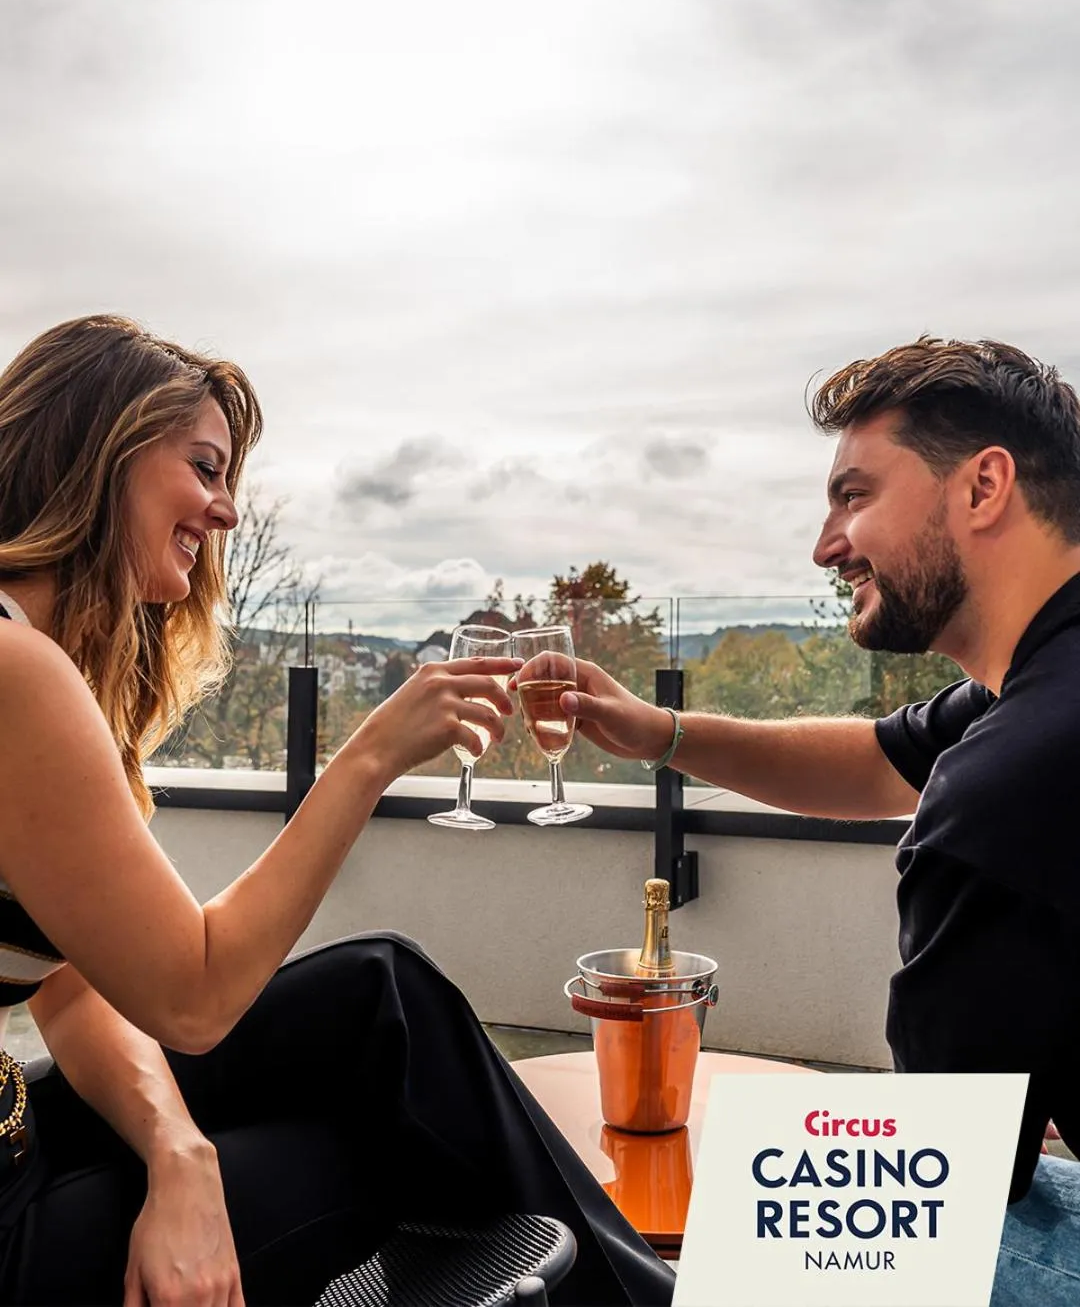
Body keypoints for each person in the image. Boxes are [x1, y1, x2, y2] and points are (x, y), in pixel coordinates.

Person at [0, 314, 676, 1307]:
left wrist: (178, 1151)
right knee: (378, 1146)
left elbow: (69, 979)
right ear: (105, 452)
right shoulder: (16, 667)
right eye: (203, 467)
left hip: (19, 1132)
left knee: (381, 995)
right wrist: (371, 757)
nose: (225, 511)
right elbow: (191, 996)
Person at [561, 337, 1080, 1306]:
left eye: (855, 495)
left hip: (967, 1171)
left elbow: (944, 1175)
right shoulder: (1040, 692)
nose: (827, 544)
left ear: (984, 487)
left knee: (775, 1240)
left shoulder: (1015, 779)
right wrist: (659, 732)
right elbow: (884, 758)